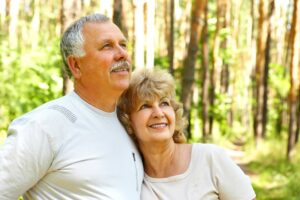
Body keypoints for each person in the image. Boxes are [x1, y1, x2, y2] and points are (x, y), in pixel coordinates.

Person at [0, 13, 143, 199]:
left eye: (123, 45)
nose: (122, 54)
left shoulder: (129, 123)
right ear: (76, 65)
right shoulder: (44, 125)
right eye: (107, 46)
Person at [117, 68, 256, 200]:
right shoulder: (133, 181)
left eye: (164, 103)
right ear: (128, 120)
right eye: (145, 106)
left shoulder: (209, 159)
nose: (159, 113)